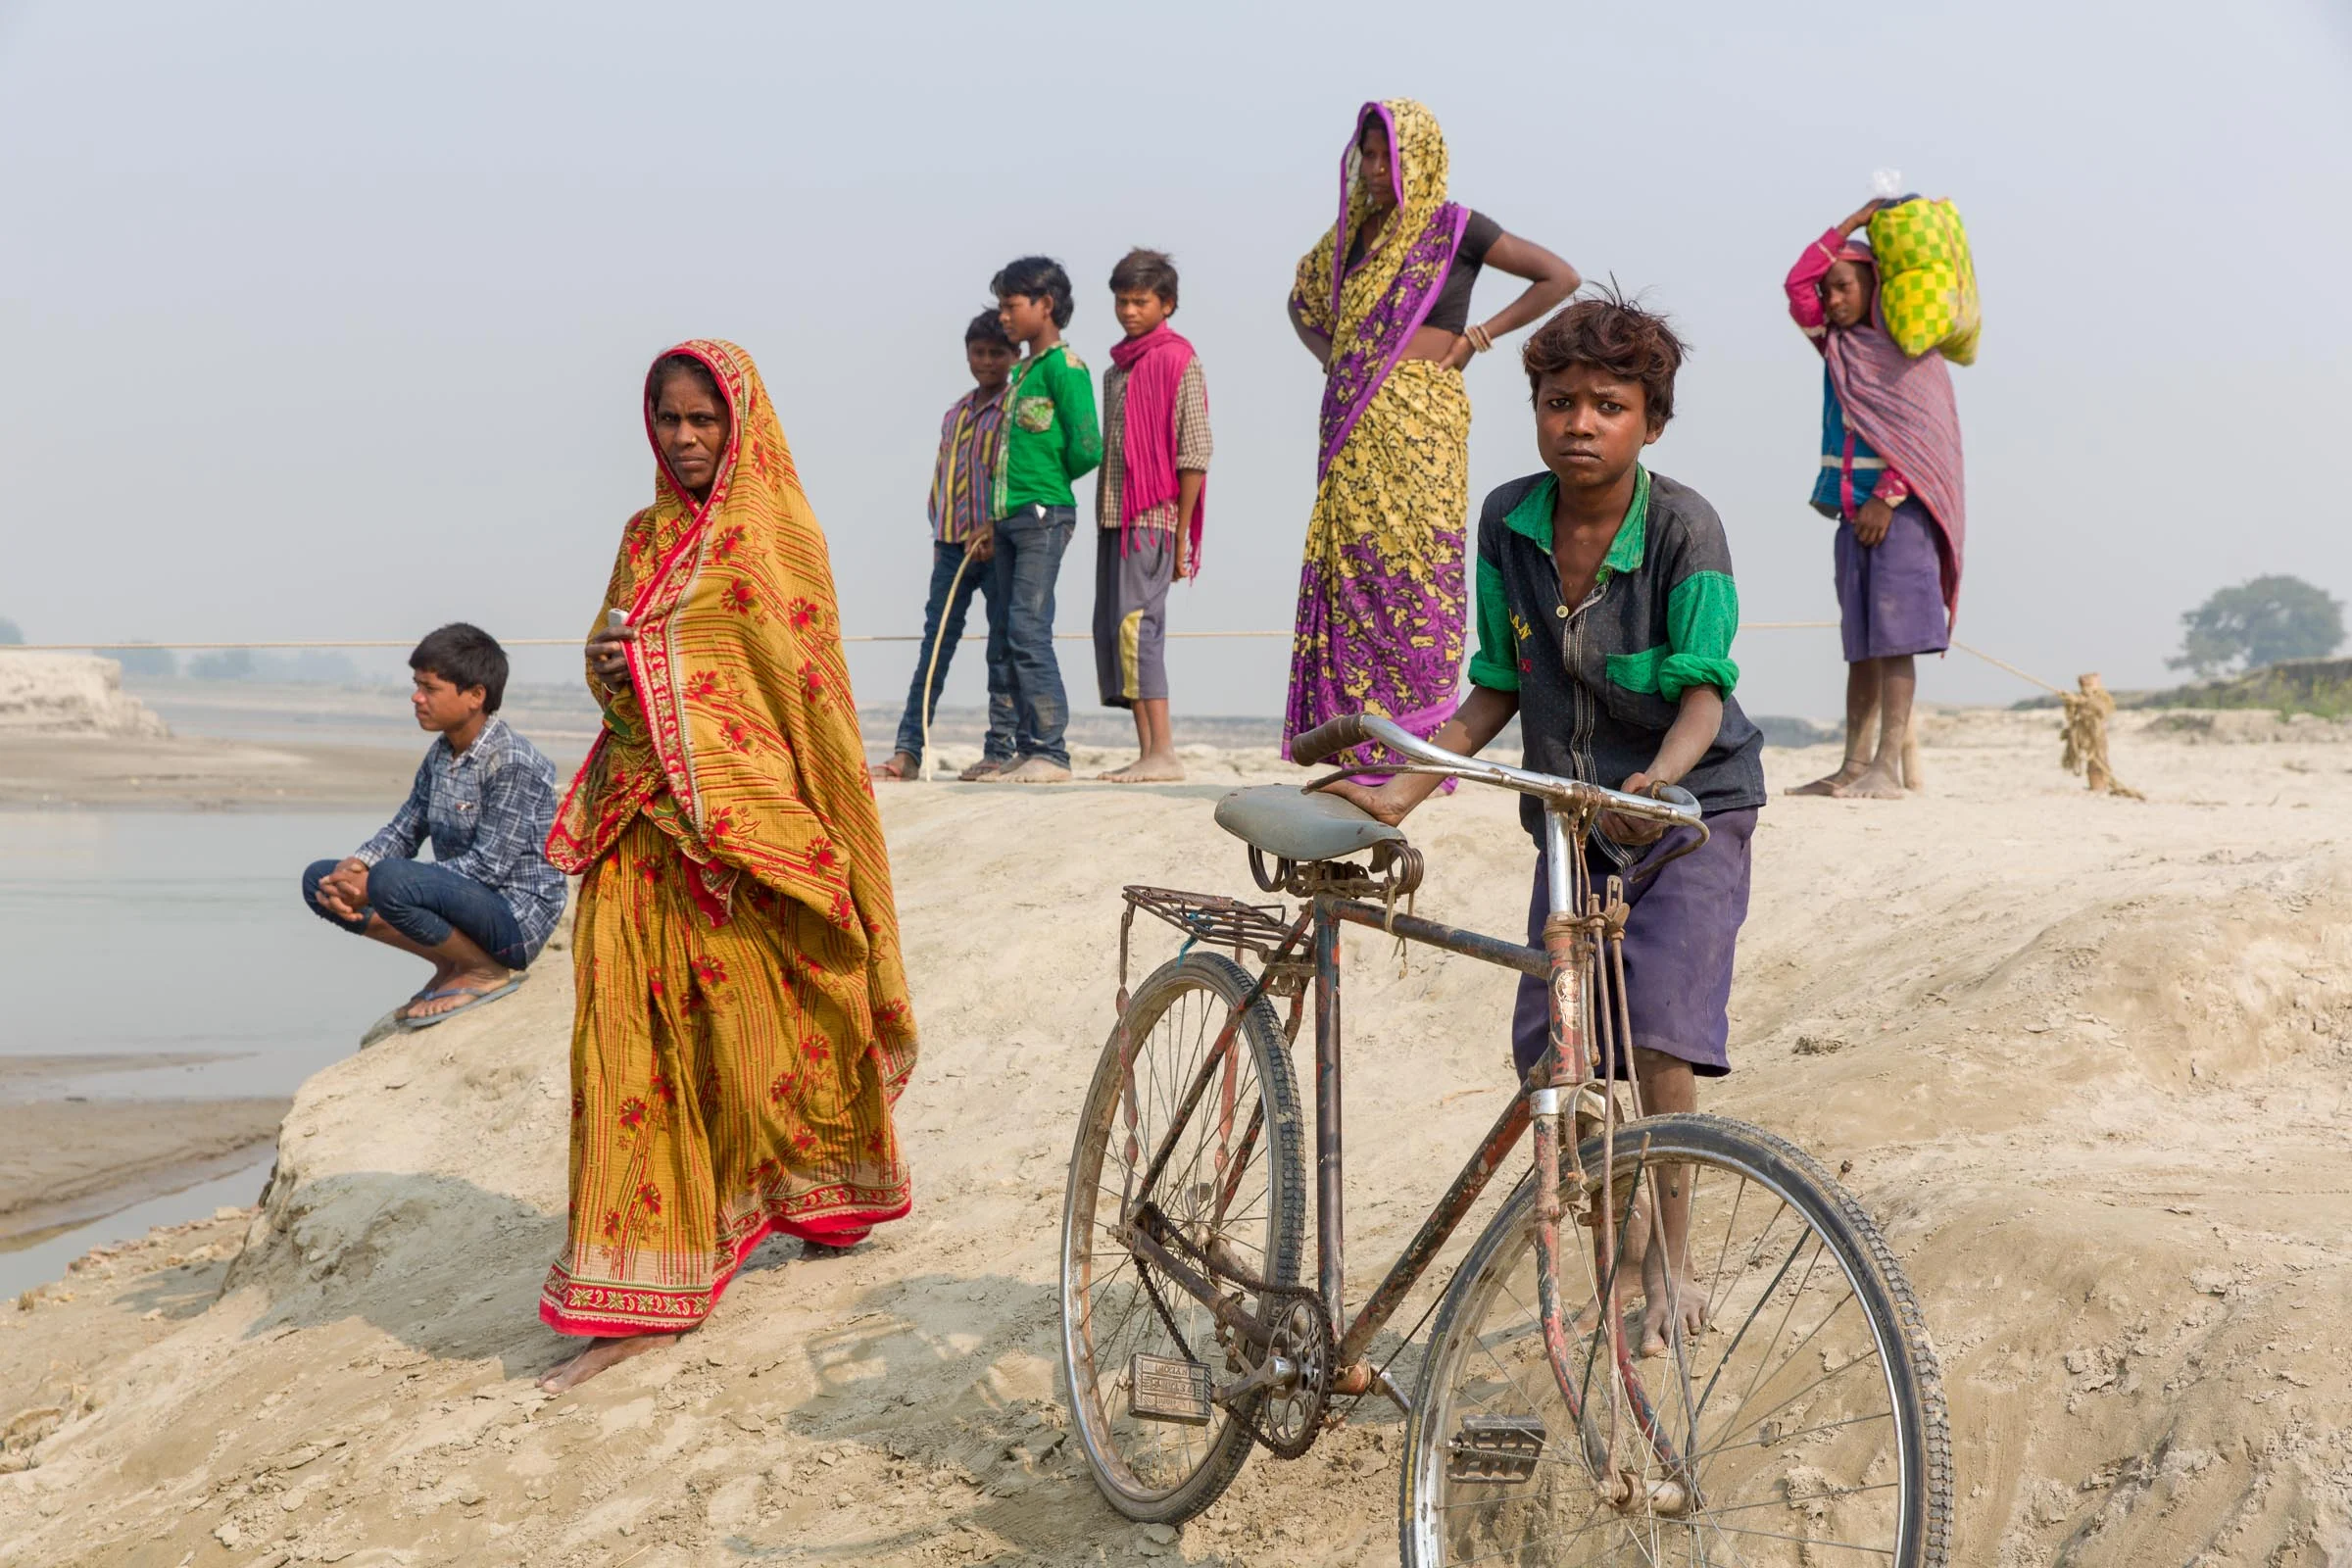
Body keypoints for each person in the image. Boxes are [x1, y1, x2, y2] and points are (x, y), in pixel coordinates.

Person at [1324, 294, 1766, 1358]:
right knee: (1559, 1051)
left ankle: (1672, 1253)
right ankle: (1613, 1252)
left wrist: (1654, 784)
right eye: (1559, 401)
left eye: (1609, 406)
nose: (1581, 423)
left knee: (1659, 1026)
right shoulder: (1509, 522)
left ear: (1650, 424)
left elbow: (1703, 692)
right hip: (1569, 824)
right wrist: (1399, 786)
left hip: (1687, 813)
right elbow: (1495, 688)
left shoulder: (1683, 527)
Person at [537, 340, 917, 1392]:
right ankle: (639, 1285)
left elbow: (804, 691)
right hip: (639, 822)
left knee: (774, 1026)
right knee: (623, 1048)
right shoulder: (642, 534)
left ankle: (825, 1191)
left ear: (741, 420)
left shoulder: (778, 536)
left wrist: (669, 674)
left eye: (705, 419)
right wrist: (614, 667)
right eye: (669, 419)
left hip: (744, 832)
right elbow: (616, 655)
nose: (687, 438)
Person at [1283, 99, 1580, 777]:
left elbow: (1558, 276)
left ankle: (1416, 742)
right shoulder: (1348, 237)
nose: (1377, 167)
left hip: (1424, 418)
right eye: (1367, 153)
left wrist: (1480, 337)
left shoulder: (1455, 227)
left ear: (1421, 157)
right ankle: (1354, 743)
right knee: (1354, 569)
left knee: (1414, 566)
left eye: (1390, 153)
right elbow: (1301, 302)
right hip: (1355, 420)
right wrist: (1336, 356)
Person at [1784, 199, 1968, 800]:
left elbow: (1925, 439)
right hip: (1850, 511)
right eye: (1829, 290)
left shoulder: (1910, 350)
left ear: (1874, 284)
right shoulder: (1836, 347)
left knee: (1896, 642)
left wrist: (1887, 499)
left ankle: (1889, 766)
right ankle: (1853, 765)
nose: (1831, 300)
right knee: (1860, 645)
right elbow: (1796, 283)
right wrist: (1854, 220)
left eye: (1843, 287)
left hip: (1900, 514)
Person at [302, 623, 563, 1029]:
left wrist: (378, 879)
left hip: (514, 919)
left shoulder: (510, 761)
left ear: (476, 695)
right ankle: (449, 964)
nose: (416, 697)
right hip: (466, 906)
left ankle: (483, 970)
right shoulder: (442, 752)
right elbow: (404, 830)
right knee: (319, 881)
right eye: (416, 685)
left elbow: (489, 867)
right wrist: (355, 867)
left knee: (390, 879)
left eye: (430, 688)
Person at [871, 310, 1017, 783]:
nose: (987, 361)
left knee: (1002, 648)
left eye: (997, 353)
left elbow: (1016, 477)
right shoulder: (956, 413)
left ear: (1014, 355)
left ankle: (999, 749)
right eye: (979, 352)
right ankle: (908, 751)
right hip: (951, 545)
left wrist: (996, 529)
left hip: (997, 546)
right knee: (934, 648)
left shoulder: (1016, 408)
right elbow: (943, 476)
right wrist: (939, 533)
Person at [979, 255, 1102, 784]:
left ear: (1045, 306)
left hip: (1042, 514)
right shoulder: (1021, 372)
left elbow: (1087, 446)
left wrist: (1049, 487)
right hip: (1006, 516)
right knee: (1006, 631)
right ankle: (1025, 748)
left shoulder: (1064, 368)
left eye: (1012, 305)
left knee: (1030, 627)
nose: (1004, 316)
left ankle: (1052, 751)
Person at [1093, 248, 1211, 783]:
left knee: (1141, 630)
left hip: (1156, 515)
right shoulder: (1116, 370)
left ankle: (1163, 750)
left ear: (1166, 303)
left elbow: (1195, 453)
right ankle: (1147, 752)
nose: (1129, 311)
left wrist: (1183, 535)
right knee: (1119, 631)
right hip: (1115, 516)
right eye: (1122, 301)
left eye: (1140, 301)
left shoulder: (1179, 359)